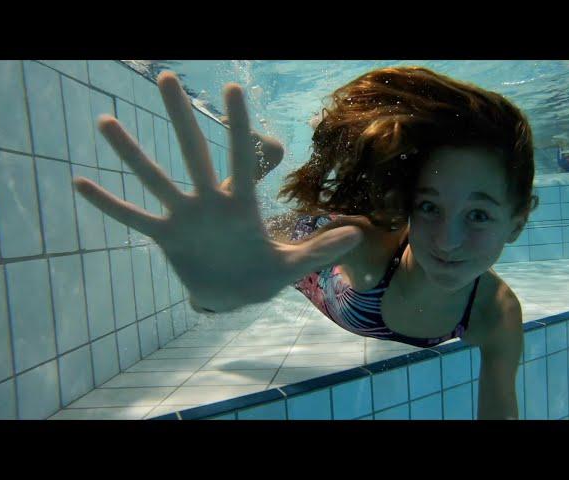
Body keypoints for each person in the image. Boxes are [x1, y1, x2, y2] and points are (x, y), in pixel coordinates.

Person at [72, 66, 539, 420]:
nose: (447, 240)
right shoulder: (366, 243)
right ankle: (263, 157)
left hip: (326, 260)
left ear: (517, 222)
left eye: (478, 215)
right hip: (314, 249)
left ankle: (264, 158)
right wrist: (217, 294)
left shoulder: (496, 315)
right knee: (268, 233)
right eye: (430, 206)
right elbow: (234, 281)